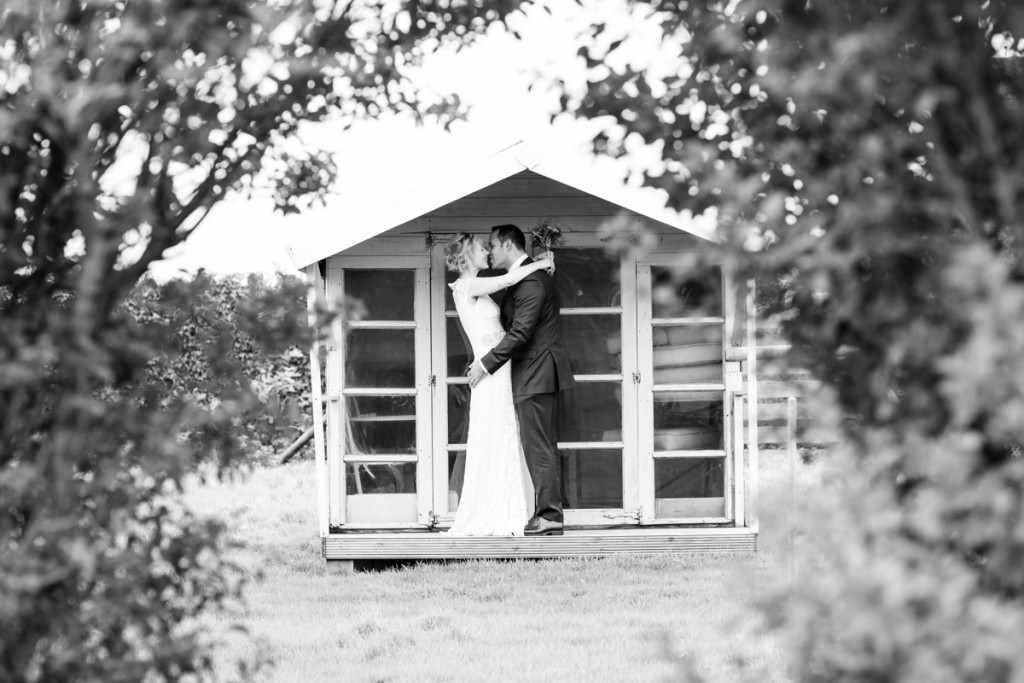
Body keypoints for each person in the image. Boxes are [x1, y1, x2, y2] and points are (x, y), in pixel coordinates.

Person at [467, 224, 575, 536]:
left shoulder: (533, 282)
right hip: (532, 373)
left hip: (537, 373)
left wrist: (485, 365)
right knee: (538, 445)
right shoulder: (527, 277)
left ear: (506, 245)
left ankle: (550, 516)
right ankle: (548, 514)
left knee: (538, 446)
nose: (490, 251)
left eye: (493, 245)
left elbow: (521, 332)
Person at [445, 233, 554, 536]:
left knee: (506, 433)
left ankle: (511, 507)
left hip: (499, 369)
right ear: (467, 255)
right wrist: (540, 263)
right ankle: (496, 511)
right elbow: (507, 280)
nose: (487, 253)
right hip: (490, 372)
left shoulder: (477, 288)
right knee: (495, 434)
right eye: (482, 249)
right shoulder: (469, 285)